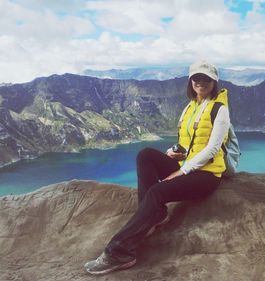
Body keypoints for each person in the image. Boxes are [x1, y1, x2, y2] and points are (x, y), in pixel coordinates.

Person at [84, 60, 230, 275]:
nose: (201, 82)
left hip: (207, 174)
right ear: (190, 81)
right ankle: (152, 215)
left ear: (214, 81)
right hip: (187, 164)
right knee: (146, 155)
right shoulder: (191, 107)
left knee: (157, 191)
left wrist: (182, 170)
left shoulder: (220, 109)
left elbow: (212, 149)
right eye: (196, 78)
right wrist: (174, 152)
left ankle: (120, 252)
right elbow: (187, 142)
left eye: (206, 78)